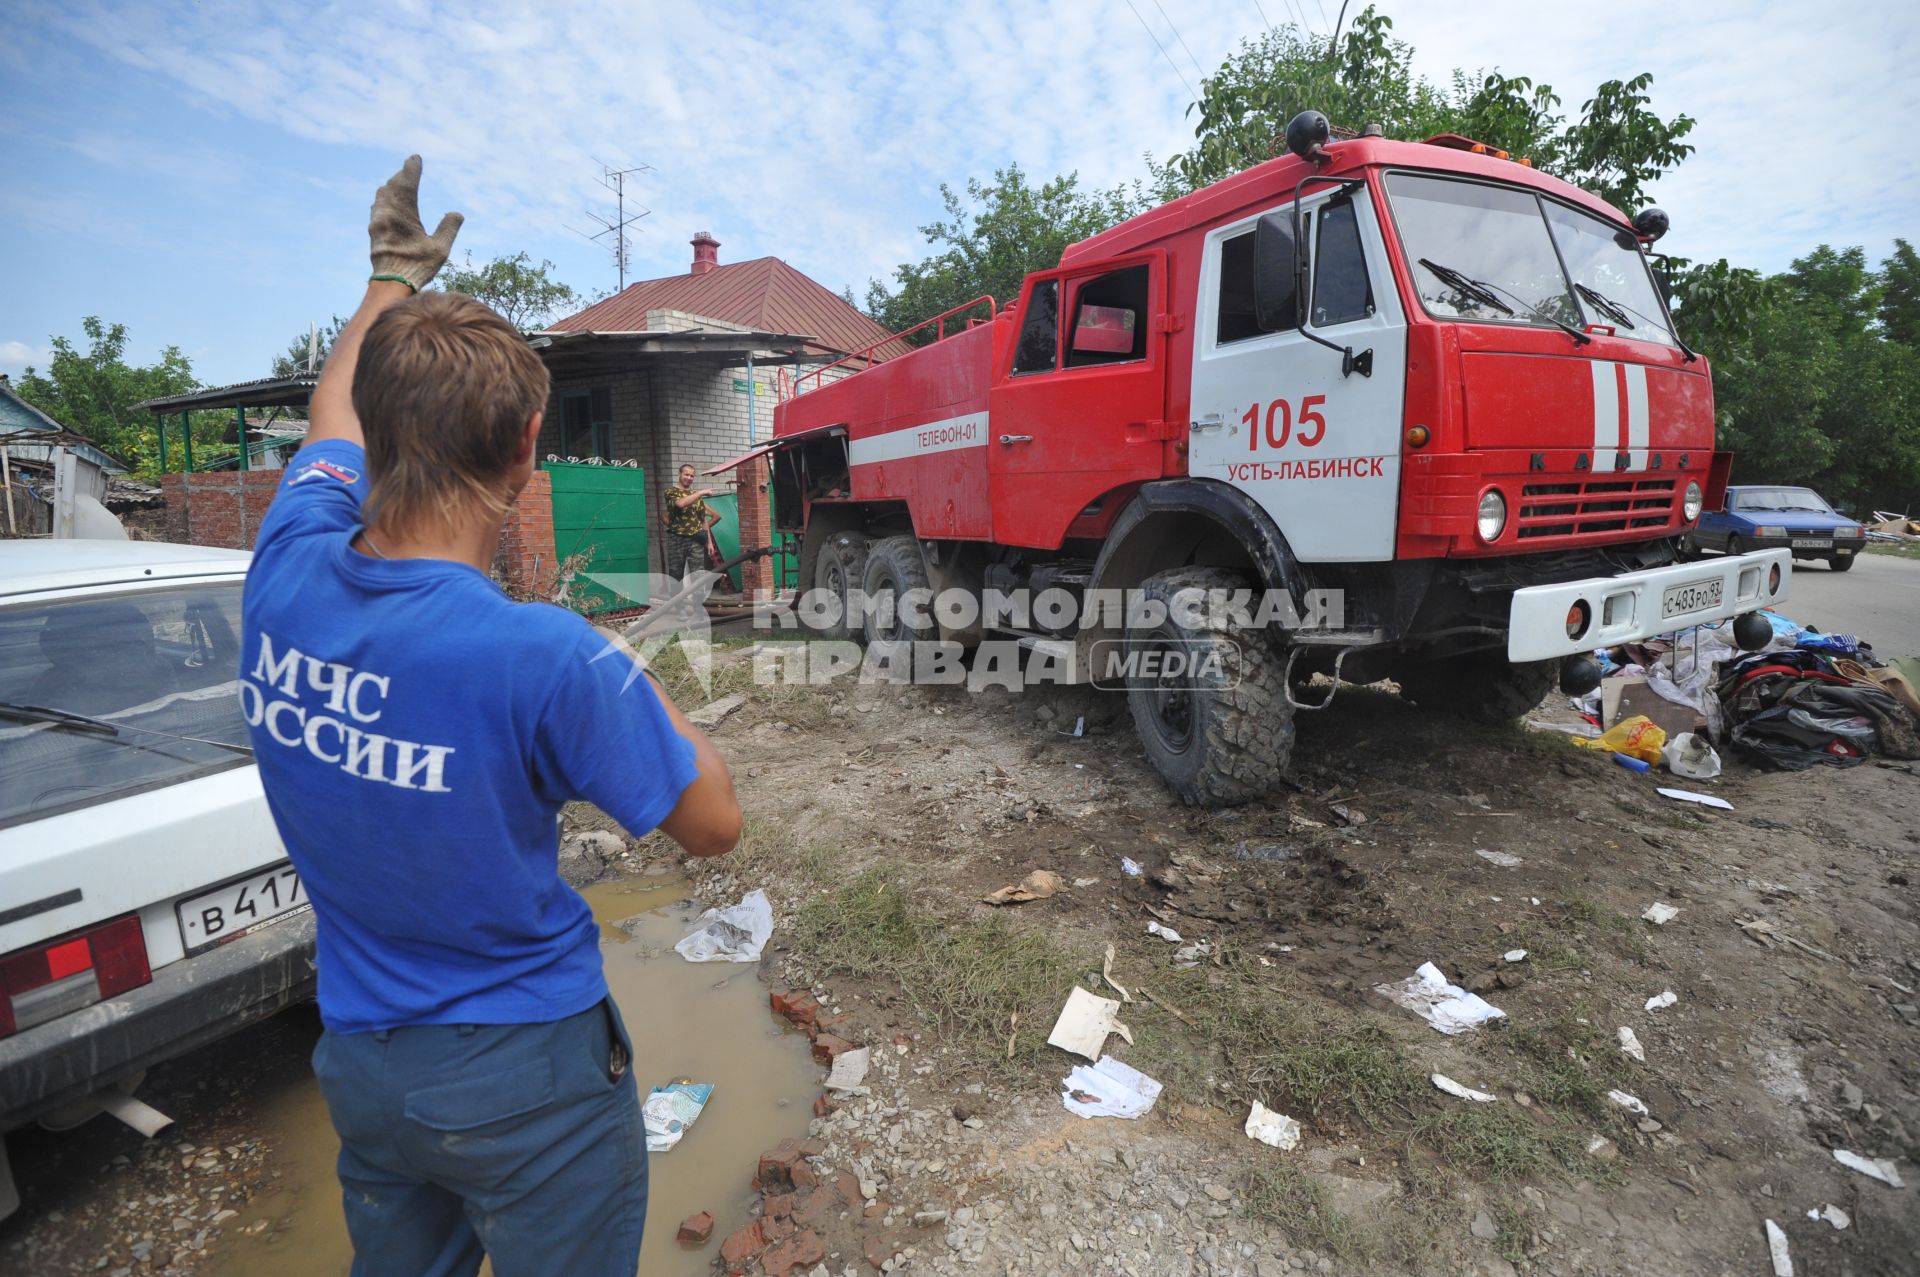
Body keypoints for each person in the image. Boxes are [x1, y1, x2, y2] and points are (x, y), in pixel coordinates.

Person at [239, 156, 742, 1277]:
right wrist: (634, 681)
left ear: (370, 432)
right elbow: (714, 822)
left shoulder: (283, 566)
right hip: (529, 1076)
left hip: (365, 1063)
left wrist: (385, 281)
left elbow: (331, 409)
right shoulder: (545, 656)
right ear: (526, 449)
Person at [663, 462, 723, 577]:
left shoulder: (696, 495)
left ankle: (698, 595)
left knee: (698, 575)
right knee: (676, 575)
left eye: (692, 476)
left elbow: (703, 520)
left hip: (696, 539)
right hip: (677, 539)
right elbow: (680, 503)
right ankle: (678, 596)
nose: (689, 478)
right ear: (679, 474)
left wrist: (709, 542)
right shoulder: (671, 492)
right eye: (686, 475)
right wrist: (700, 492)